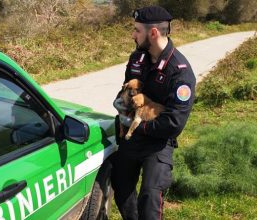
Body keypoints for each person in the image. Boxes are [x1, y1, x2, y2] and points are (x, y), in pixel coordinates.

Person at [111, 6, 196, 220]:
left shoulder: (180, 73)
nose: (133, 35)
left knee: (149, 195)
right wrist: (121, 105)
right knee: (120, 185)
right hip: (132, 135)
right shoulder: (137, 59)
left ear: (153, 33)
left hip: (157, 141)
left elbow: (174, 123)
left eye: (137, 30)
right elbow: (127, 93)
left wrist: (141, 127)